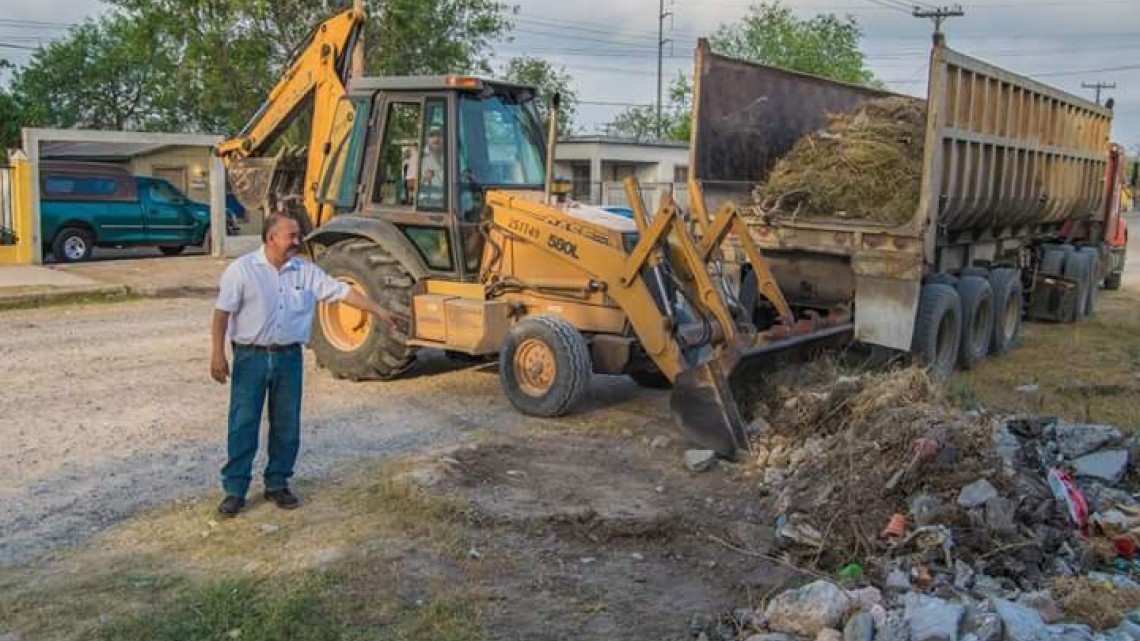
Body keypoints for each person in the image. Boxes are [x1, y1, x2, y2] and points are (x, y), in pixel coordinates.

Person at [209, 213, 399, 517]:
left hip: (288, 358)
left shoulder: (305, 271)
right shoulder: (242, 270)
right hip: (251, 357)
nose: (298, 241)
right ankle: (235, 490)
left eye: (298, 235)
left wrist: (379, 310)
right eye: (292, 236)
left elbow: (343, 292)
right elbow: (221, 315)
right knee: (243, 424)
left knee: (286, 425)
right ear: (271, 238)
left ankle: (278, 483)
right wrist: (217, 355)